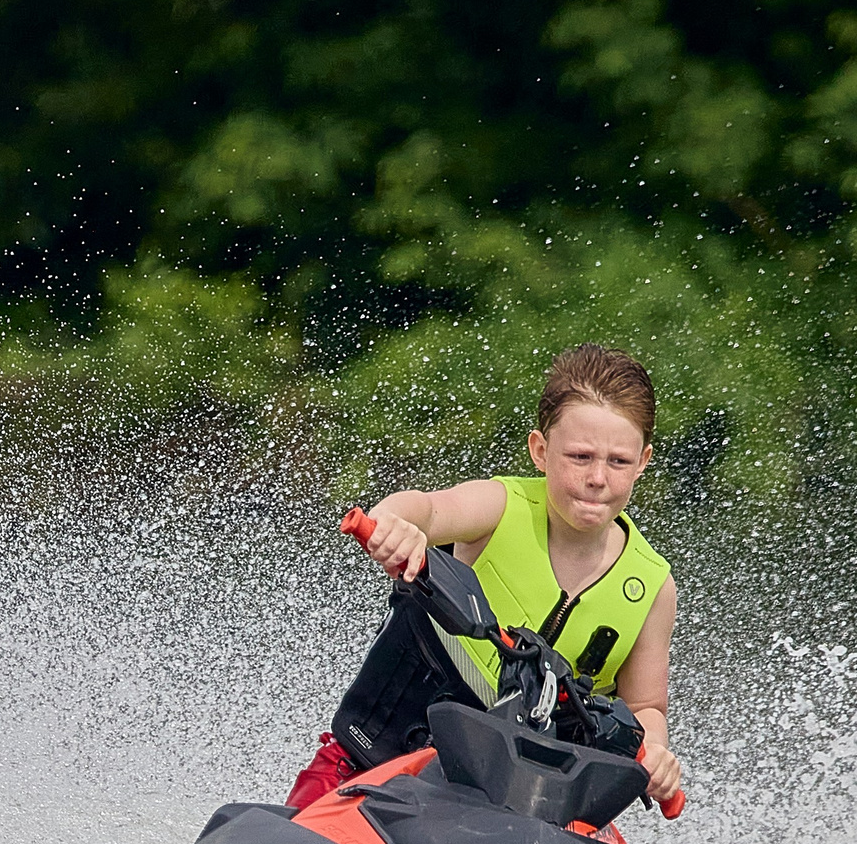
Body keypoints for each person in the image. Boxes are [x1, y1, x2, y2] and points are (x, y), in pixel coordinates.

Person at [289, 343, 684, 813]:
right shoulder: (499, 508)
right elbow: (428, 508)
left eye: (618, 461)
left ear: (643, 461)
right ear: (540, 451)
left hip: (518, 808)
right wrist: (395, 522)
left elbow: (645, 709)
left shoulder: (652, 587)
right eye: (579, 457)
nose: (598, 477)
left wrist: (656, 752)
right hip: (380, 756)